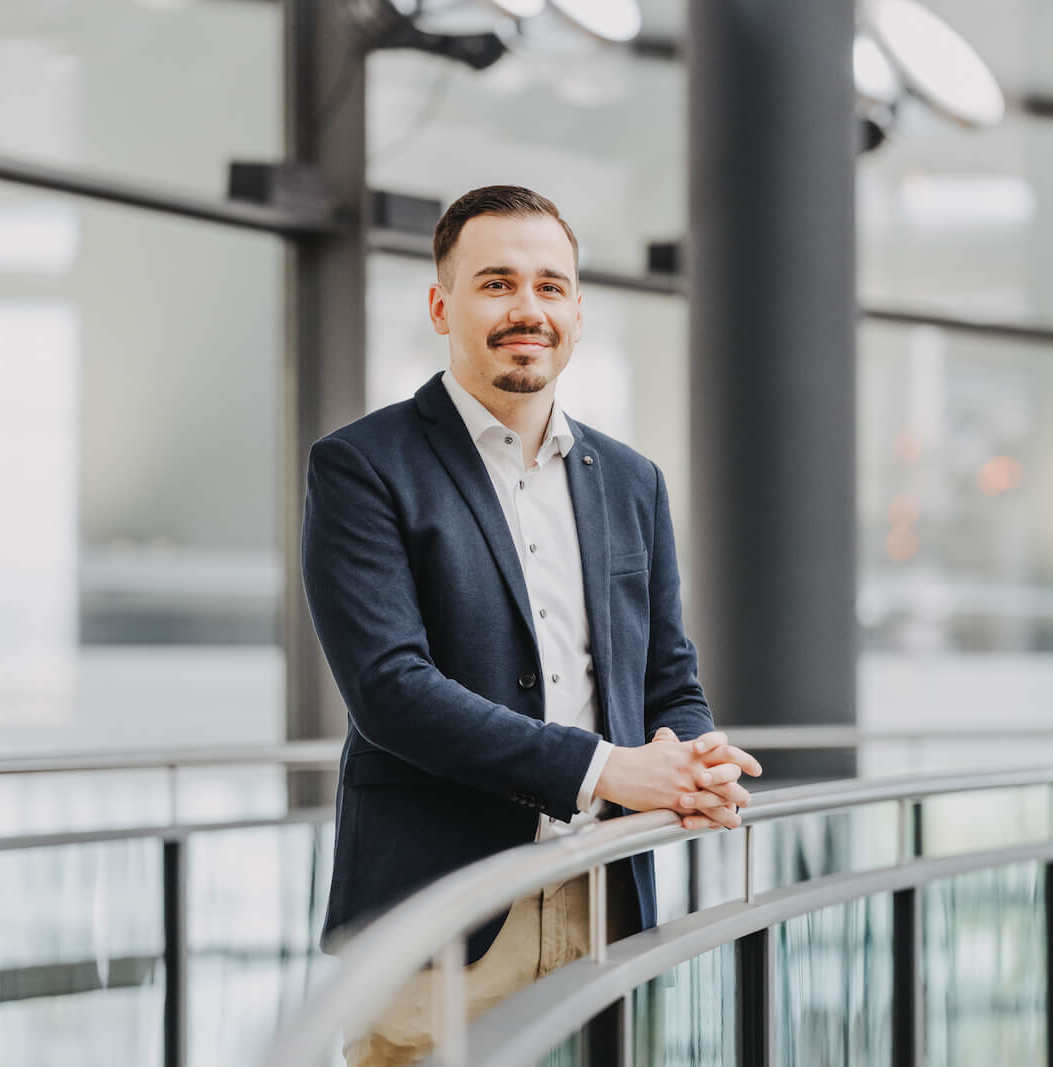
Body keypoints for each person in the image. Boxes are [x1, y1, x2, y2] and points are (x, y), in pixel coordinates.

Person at [301, 185, 761, 1065]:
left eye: (551, 286)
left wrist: (696, 756)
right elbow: (392, 691)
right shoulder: (363, 465)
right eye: (497, 283)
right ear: (442, 304)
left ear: (579, 313)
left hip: (605, 898)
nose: (528, 309)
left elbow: (666, 672)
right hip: (440, 912)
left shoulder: (632, 480)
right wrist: (609, 768)